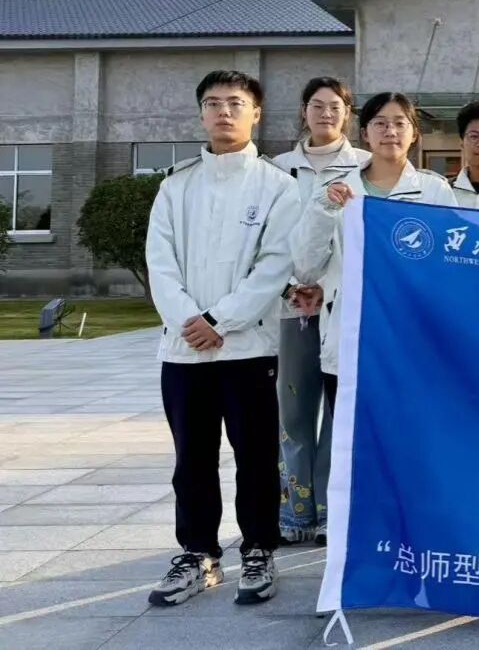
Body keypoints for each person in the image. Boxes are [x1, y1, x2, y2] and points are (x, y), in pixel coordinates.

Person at [145, 70, 301, 607]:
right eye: (212, 103)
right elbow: (160, 262)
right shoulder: (176, 185)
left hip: (248, 349)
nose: (224, 112)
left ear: (256, 112)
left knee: (255, 455)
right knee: (192, 458)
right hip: (184, 350)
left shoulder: (278, 186)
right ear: (201, 114)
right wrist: (190, 320)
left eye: (235, 103)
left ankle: (258, 549)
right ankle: (198, 554)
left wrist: (221, 320)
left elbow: (274, 266)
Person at [291, 92, 456, 414]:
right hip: (349, 334)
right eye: (380, 123)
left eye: (399, 123)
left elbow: (447, 269)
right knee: (350, 435)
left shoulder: (434, 191)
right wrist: (324, 209)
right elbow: (306, 268)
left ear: (414, 133)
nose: (390, 131)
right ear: (365, 133)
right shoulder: (335, 191)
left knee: (407, 432)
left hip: (410, 338)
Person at [270, 77, 367, 547]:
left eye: (335, 106)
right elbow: (268, 241)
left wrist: (322, 286)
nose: (326, 113)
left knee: (338, 411)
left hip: (340, 305)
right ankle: (294, 507)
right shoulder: (277, 169)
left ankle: (330, 508)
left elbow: (358, 245)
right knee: (292, 411)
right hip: (291, 307)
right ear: (303, 111)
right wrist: (291, 285)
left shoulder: (364, 166)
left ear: (347, 113)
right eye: (317, 105)